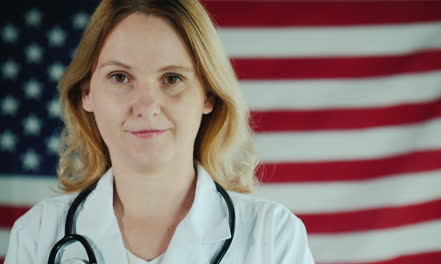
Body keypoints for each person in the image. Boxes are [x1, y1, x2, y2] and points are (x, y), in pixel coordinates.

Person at [5, 0, 314, 263]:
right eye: (120, 77)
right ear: (87, 93)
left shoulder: (273, 236)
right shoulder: (38, 233)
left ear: (207, 95)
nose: (146, 106)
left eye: (172, 78)